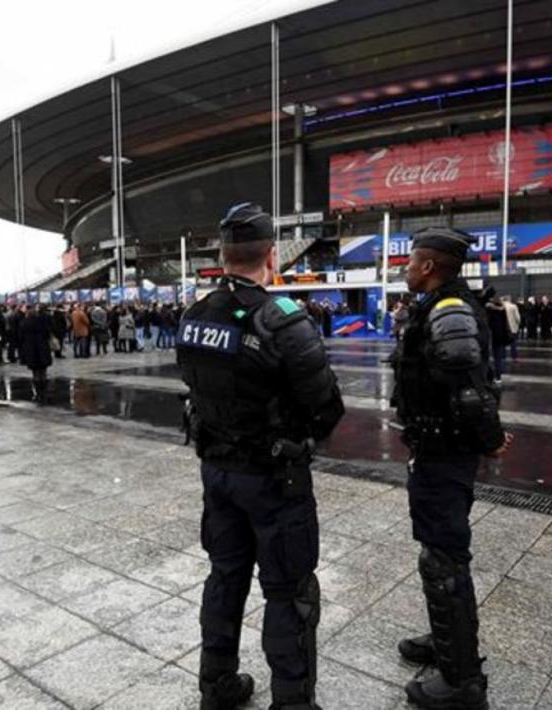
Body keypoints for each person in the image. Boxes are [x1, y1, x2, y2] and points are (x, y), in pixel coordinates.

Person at [177, 203, 344, 710]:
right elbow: (327, 408)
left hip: (218, 472)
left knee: (225, 576)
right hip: (274, 480)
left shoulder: (194, 315)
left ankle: (217, 685)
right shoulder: (283, 321)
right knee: (288, 591)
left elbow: (196, 386)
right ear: (272, 256)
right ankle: (293, 702)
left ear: (223, 256)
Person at [390, 227, 510, 710]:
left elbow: (469, 391)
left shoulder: (450, 312)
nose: (404, 269)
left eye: (410, 261)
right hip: (434, 448)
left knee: (444, 560)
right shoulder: (437, 307)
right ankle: (447, 644)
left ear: (428, 266)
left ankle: (462, 681)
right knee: (437, 555)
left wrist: (492, 440)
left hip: (445, 453)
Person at [20, 304, 54, 404]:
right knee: (43, 370)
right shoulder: (41, 322)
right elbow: (48, 333)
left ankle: (37, 391)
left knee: (35, 372)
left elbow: (21, 337)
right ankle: (44, 390)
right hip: (42, 348)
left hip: (31, 350)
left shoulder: (24, 323)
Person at [486, 296, 511, 381]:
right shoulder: (503, 310)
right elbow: (505, 324)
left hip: (489, 336)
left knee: (486, 358)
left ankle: (488, 377)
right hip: (499, 336)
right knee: (498, 358)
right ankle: (498, 376)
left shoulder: (487, 309)